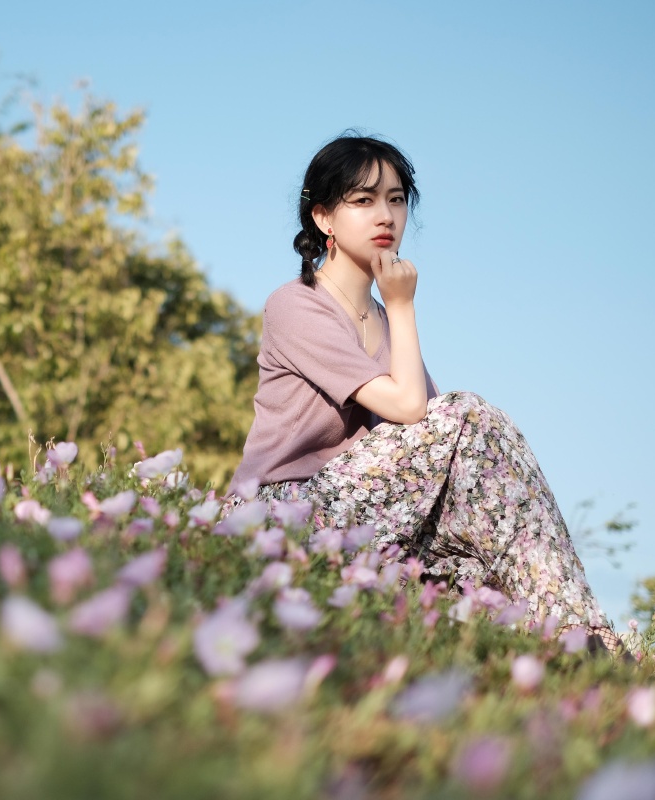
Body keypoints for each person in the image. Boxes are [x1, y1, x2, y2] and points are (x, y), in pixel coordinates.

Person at [226, 133, 621, 653]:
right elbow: (414, 409)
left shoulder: (385, 319)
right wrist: (404, 305)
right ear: (324, 218)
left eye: (396, 199)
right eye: (363, 200)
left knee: (481, 508)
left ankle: (577, 640)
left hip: (366, 513)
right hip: (283, 512)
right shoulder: (296, 304)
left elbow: (435, 441)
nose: (385, 216)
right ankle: (577, 633)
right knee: (470, 415)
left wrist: (395, 312)